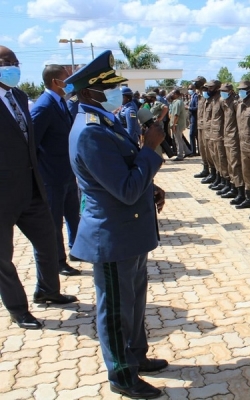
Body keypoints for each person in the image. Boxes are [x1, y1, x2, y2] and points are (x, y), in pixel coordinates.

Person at [65, 50, 167, 399]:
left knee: (134, 301)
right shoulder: (90, 132)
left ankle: (136, 356)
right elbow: (124, 189)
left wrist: (149, 185)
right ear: (92, 91)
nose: (116, 93)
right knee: (115, 309)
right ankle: (122, 375)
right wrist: (151, 148)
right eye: (109, 87)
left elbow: (122, 172)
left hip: (130, 231)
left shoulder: (104, 122)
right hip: (112, 235)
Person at [0, 45, 77, 330]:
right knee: (3, 258)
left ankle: (47, 290)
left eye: (14, 61)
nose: (12, 66)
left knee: (47, 239)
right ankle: (18, 309)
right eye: (5, 62)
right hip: (3, 194)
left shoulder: (19, 96)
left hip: (31, 188)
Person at [30, 64, 81, 276]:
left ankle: (76, 249)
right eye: (65, 78)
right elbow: (32, 143)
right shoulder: (43, 106)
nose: (68, 82)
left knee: (72, 214)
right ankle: (58, 261)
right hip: (51, 176)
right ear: (55, 82)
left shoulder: (59, 101)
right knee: (54, 222)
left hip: (66, 173)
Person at [235, 80, 250, 209]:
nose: (241, 92)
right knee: (246, 174)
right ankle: (249, 198)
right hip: (243, 145)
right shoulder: (240, 105)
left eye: (243, 89)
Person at [220, 83, 244, 200]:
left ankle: (240, 190)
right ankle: (232, 186)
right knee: (229, 164)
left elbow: (239, 122)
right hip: (227, 137)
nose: (222, 93)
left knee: (235, 165)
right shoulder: (225, 103)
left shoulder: (235, 103)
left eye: (224, 91)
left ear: (230, 91)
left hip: (234, 138)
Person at [169, 89, 189, 161]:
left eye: (172, 93)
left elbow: (176, 115)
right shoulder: (176, 102)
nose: (171, 94)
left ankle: (180, 156)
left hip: (177, 124)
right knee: (180, 139)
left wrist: (174, 124)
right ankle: (187, 151)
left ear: (176, 94)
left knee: (178, 140)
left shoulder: (178, 102)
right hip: (177, 123)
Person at [186, 83, 199, 157]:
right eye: (188, 89)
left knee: (192, 134)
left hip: (195, 118)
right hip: (191, 118)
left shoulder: (196, 97)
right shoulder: (192, 97)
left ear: (194, 89)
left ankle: (193, 151)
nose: (189, 90)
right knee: (194, 135)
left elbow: (197, 108)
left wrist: (188, 108)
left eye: (190, 88)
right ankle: (194, 151)